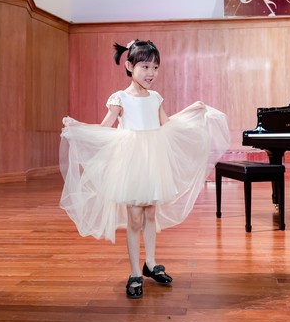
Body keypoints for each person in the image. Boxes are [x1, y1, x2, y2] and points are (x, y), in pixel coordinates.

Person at [59, 39, 230, 299]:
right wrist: (78, 127)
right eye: (145, 66)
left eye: (155, 67)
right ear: (129, 66)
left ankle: (150, 263)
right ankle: (134, 272)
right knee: (135, 218)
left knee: (151, 214)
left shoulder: (155, 98)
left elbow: (167, 125)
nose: (151, 73)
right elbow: (104, 128)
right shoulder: (120, 98)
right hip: (132, 162)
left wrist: (191, 111)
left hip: (153, 160)